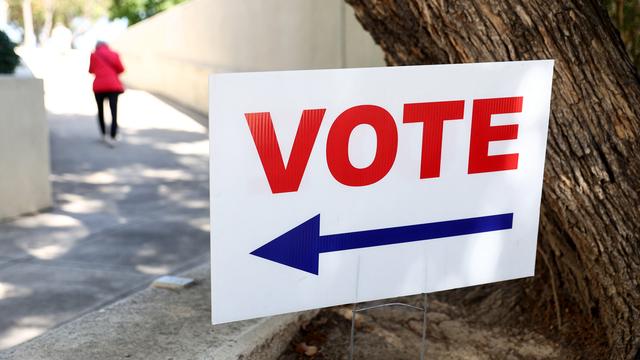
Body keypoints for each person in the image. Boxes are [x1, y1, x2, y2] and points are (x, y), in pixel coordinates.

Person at [89, 41, 125, 147]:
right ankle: (113, 134)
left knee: (100, 110)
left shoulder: (94, 55)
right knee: (114, 110)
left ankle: (104, 134)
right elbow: (121, 69)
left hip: (98, 86)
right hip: (113, 86)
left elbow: (91, 70)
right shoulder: (114, 54)